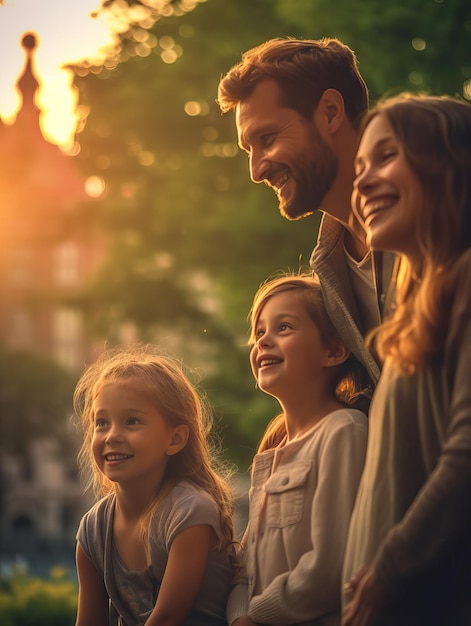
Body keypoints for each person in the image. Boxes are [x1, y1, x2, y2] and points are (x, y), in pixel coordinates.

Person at [342, 94, 471, 626]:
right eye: (359, 168)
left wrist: (390, 568)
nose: (363, 183)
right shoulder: (415, 315)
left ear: (448, 163)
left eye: (387, 156)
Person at [217, 37, 396, 390]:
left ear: (330, 112)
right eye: (248, 149)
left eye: (267, 138)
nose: (256, 171)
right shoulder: (331, 269)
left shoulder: (438, 219)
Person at [227, 273, 368, 626]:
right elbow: (243, 573)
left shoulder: (344, 431)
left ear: (333, 350)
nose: (263, 342)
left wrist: (256, 615)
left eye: (283, 328)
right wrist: (238, 617)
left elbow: (331, 566)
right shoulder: (273, 450)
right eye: (259, 332)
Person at [73, 345, 239, 626]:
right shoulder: (93, 530)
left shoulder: (190, 511)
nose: (112, 435)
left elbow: (167, 618)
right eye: (102, 422)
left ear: (174, 440)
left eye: (132, 421)